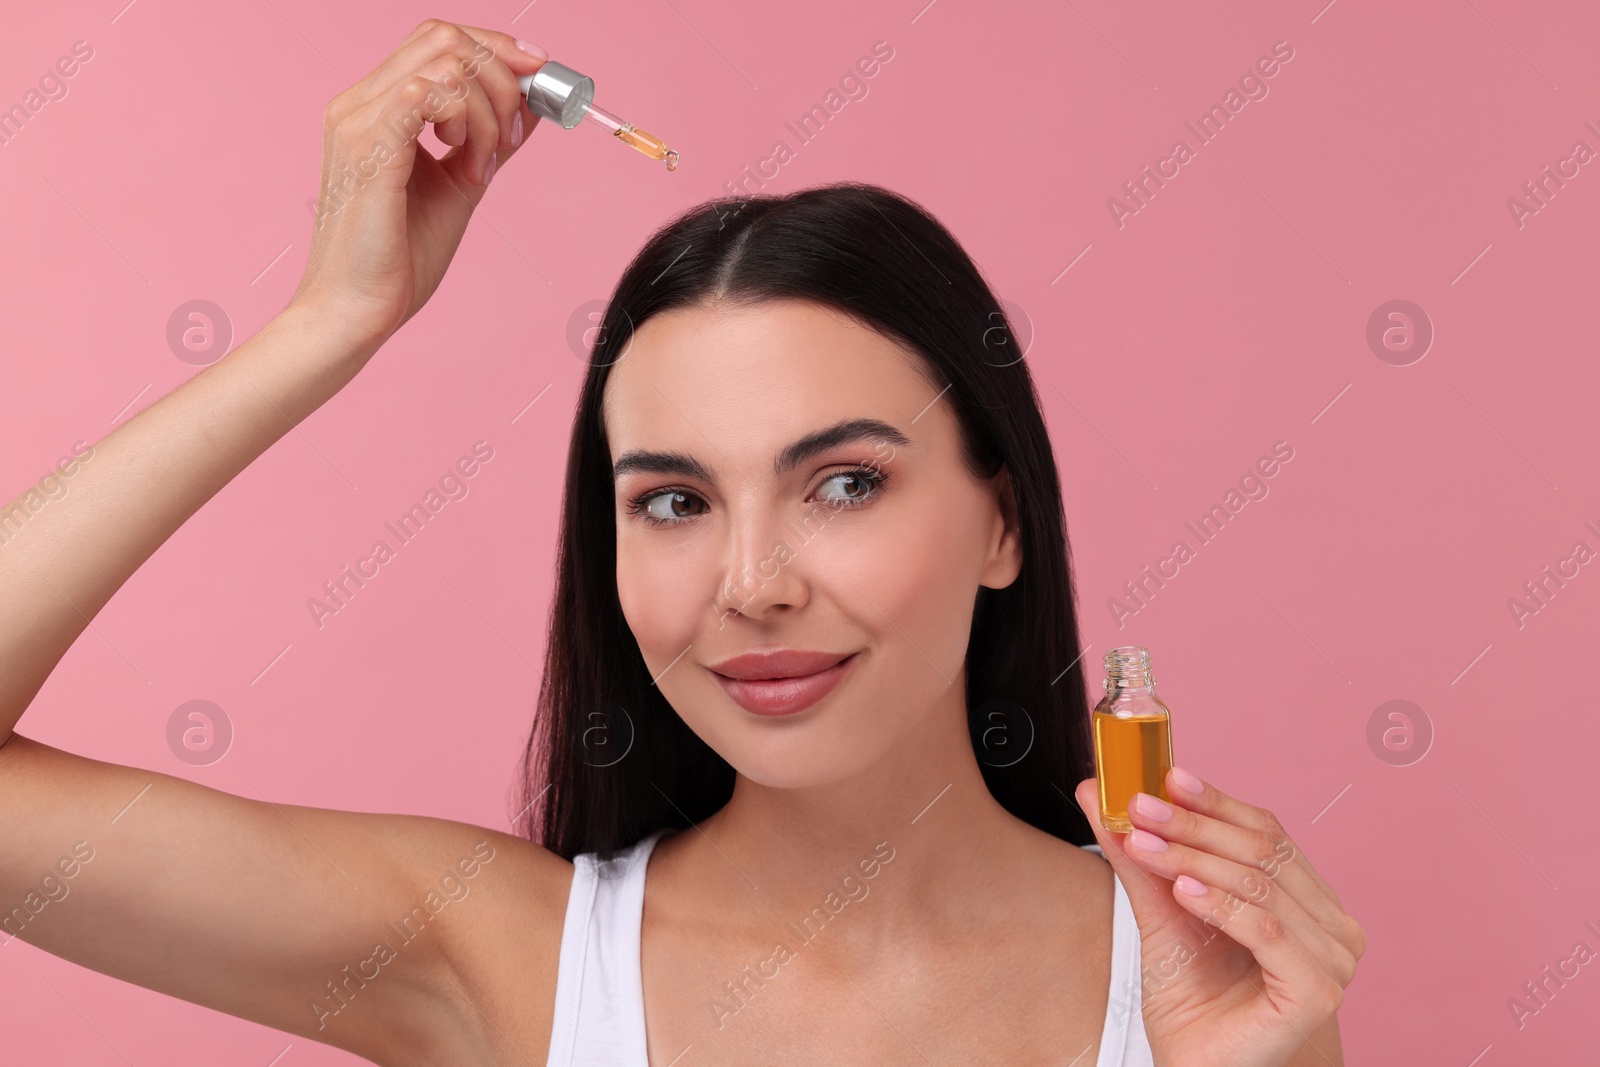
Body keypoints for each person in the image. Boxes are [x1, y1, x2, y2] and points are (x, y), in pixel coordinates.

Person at [0, 18, 1364, 1066]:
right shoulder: (508, 958)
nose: (753, 588)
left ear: (1002, 518)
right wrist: (329, 322)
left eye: (842, 485)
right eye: (673, 502)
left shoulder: (1208, 975)